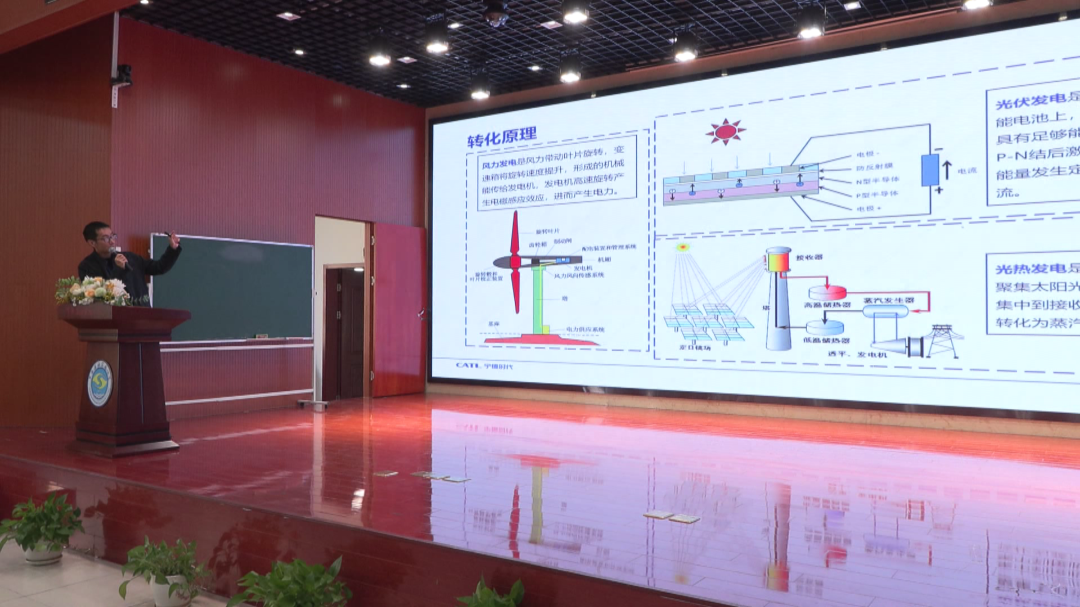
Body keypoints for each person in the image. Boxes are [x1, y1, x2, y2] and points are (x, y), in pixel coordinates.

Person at [78, 221, 182, 307]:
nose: (112, 241)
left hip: (142, 316)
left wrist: (172, 249)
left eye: (112, 236)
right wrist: (119, 269)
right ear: (92, 243)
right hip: (114, 320)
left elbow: (159, 267)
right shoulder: (87, 266)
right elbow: (102, 295)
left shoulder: (130, 258)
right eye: (106, 238)